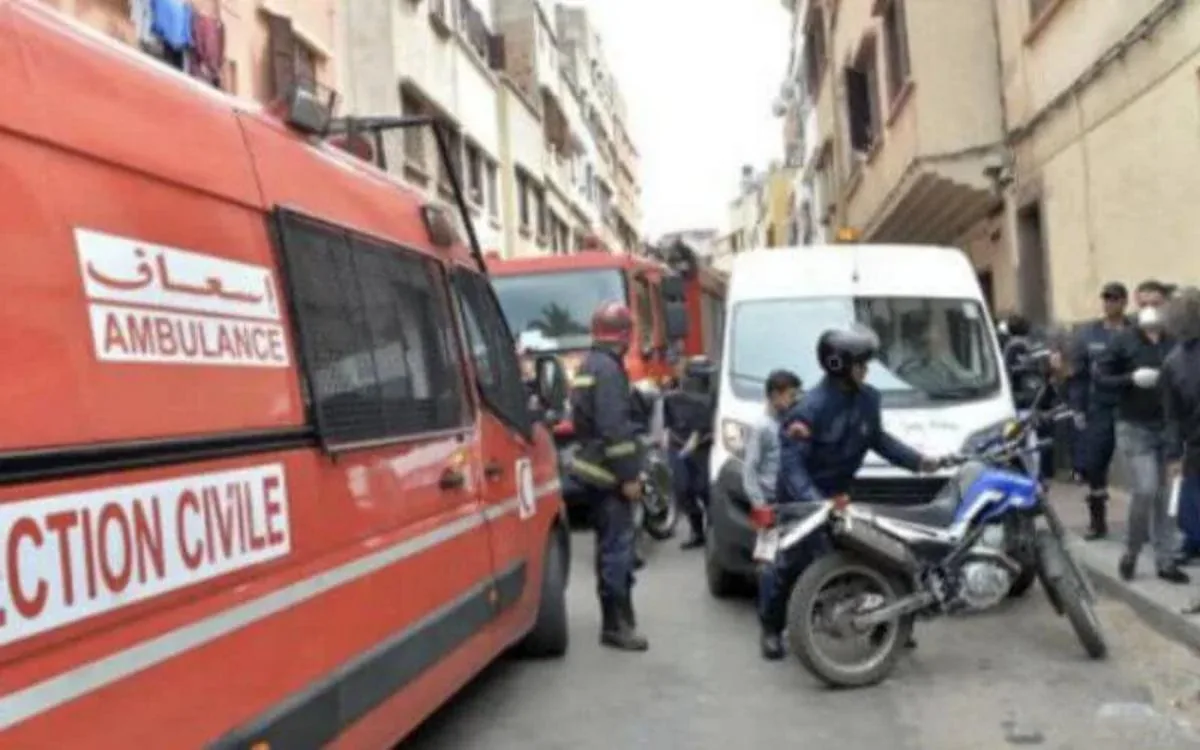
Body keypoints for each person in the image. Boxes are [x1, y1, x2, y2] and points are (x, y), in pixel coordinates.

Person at [757, 327, 942, 659]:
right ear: (839, 366)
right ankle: (771, 628)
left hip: (840, 497)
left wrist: (919, 462)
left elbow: (879, 440)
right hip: (804, 501)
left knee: (880, 556)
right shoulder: (808, 409)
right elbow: (792, 465)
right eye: (860, 364)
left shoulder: (869, 399)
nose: (866, 370)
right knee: (790, 566)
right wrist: (815, 502)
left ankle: (891, 626)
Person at [566, 300, 650, 651]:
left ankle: (614, 621)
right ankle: (617, 626)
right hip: (610, 475)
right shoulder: (611, 371)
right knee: (618, 549)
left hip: (592, 469)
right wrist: (629, 476)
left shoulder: (589, 364)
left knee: (607, 547)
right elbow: (615, 429)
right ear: (625, 335)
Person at [1096, 280, 1188, 583]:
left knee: (1166, 496)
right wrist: (1130, 379)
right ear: (1137, 305)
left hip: (1169, 427)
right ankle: (1132, 551)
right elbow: (1101, 378)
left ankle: (1165, 560)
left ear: (1166, 305)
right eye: (1144, 303)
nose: (1150, 309)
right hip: (1134, 426)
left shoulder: (1176, 340)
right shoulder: (1123, 340)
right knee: (1145, 489)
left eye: (1156, 304)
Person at [743, 369, 801, 659]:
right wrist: (759, 505)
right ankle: (769, 631)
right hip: (770, 505)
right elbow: (749, 470)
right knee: (769, 569)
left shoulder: (792, 424)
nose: (795, 400)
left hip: (794, 504)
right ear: (776, 395)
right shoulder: (762, 427)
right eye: (791, 395)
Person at [1068, 281, 1132, 540]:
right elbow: (1078, 374)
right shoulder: (1088, 334)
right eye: (1106, 298)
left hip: (1131, 405)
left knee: (1138, 466)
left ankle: (1145, 522)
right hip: (1099, 407)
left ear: (1124, 302)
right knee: (1095, 464)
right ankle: (1097, 521)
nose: (1109, 303)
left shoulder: (1134, 331)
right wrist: (1077, 407)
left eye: (1114, 298)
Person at [1163, 287, 1200, 580]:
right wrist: (1174, 453)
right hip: (1194, 443)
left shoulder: (1173, 362)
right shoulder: (1173, 362)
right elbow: (1172, 414)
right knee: (1191, 502)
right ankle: (1193, 541)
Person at [663, 356, 716, 550]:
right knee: (682, 489)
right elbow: (668, 423)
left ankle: (713, 531)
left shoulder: (713, 397)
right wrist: (667, 438)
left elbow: (710, 423)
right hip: (678, 444)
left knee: (704, 489)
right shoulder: (672, 397)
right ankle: (697, 530)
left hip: (703, 446)